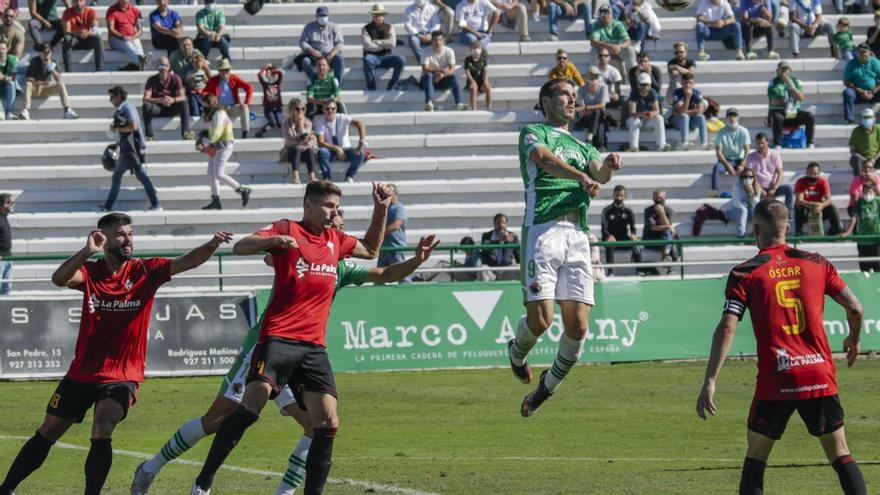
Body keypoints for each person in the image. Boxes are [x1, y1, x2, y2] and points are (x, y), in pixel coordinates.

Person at [130, 213, 438, 495]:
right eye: (337, 225)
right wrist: (276, 247)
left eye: (343, 227)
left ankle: (284, 492)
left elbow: (383, 273)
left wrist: (416, 261)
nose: (341, 232)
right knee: (216, 419)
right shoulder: (300, 244)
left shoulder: (341, 267)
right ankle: (157, 469)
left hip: (303, 353)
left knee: (316, 427)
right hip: (266, 345)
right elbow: (268, 257)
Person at [0, 213, 232, 495]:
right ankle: (6, 489)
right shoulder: (91, 272)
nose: (128, 240)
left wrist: (212, 244)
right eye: (121, 235)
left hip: (122, 374)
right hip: (83, 372)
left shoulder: (145, 270)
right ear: (104, 239)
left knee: (103, 425)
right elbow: (59, 278)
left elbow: (188, 261)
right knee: (48, 430)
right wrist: (87, 251)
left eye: (130, 234)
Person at [190, 181, 392, 495]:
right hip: (278, 338)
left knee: (328, 422)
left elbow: (371, 250)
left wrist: (381, 209)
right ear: (308, 204)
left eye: (337, 208)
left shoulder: (335, 240)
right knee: (251, 406)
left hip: (313, 347)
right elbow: (240, 246)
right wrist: (272, 242)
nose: (334, 213)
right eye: (329, 206)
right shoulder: (287, 228)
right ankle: (204, 481)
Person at [696, 198, 867, 495]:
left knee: (756, 458)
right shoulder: (817, 262)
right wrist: (854, 337)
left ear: (755, 229)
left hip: (778, 376)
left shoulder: (745, 273)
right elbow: (855, 307)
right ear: (788, 227)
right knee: (840, 453)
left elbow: (727, 326)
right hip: (817, 373)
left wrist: (710, 380)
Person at [510, 78, 622, 417]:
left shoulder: (584, 146)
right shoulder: (534, 132)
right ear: (546, 101)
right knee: (542, 320)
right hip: (542, 229)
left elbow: (599, 174)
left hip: (577, 233)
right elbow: (544, 160)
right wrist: (581, 177)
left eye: (574, 95)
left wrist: (608, 166)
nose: (572, 100)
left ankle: (546, 388)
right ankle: (516, 353)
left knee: (578, 326)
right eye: (564, 94)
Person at [102, 86, 160, 212]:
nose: (111, 100)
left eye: (112, 97)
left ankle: (107, 207)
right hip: (129, 148)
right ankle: (155, 204)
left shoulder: (127, 107)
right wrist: (119, 141)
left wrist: (117, 130)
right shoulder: (125, 108)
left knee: (125, 176)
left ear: (118, 96)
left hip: (133, 150)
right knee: (137, 176)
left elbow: (133, 126)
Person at [197, 94, 252, 210]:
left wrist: (205, 143)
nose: (203, 107)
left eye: (204, 104)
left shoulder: (219, 114)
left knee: (219, 174)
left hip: (224, 146)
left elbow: (217, 132)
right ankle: (215, 200)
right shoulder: (213, 114)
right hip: (216, 146)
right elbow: (212, 131)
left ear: (210, 104)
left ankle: (242, 190)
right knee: (211, 173)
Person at [18, 45, 78, 120]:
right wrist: (42, 83)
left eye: (48, 53)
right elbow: (28, 78)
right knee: (28, 84)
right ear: (40, 53)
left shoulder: (54, 62)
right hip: (37, 88)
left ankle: (67, 110)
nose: (46, 55)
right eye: (44, 53)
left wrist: (52, 69)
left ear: (51, 53)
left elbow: (59, 78)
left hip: (49, 88)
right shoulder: (34, 61)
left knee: (61, 84)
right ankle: (26, 110)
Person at [142, 56, 193, 140]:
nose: (163, 68)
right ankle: (149, 135)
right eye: (160, 66)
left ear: (169, 67)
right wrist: (160, 100)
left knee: (184, 102)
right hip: (158, 108)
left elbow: (182, 96)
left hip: (172, 107)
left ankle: (185, 132)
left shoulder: (175, 78)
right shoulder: (151, 80)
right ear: (157, 67)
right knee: (146, 106)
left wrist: (173, 100)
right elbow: (145, 98)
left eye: (165, 66)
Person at [314, 102, 367, 183]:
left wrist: (361, 142)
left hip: (346, 150)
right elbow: (320, 143)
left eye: (333, 109)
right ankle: (327, 178)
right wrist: (337, 148)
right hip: (330, 151)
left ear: (336, 109)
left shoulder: (342, 117)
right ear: (323, 110)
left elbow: (360, 123)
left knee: (361, 153)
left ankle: (349, 176)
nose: (330, 111)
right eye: (327, 109)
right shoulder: (319, 121)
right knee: (322, 152)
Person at [768, 60, 815, 149]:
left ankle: (810, 143)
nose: (784, 72)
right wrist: (789, 100)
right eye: (782, 70)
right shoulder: (773, 83)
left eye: (786, 70)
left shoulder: (796, 81)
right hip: (780, 112)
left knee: (809, 116)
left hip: (793, 113)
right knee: (777, 117)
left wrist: (789, 83)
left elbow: (801, 97)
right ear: (777, 71)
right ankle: (777, 143)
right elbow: (774, 101)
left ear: (789, 71)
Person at [201, 58, 253, 139]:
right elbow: (204, 93)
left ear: (229, 70)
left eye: (227, 70)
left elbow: (249, 87)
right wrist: (210, 99)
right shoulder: (213, 80)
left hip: (233, 107)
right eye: (222, 70)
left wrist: (247, 102)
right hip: (219, 107)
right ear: (219, 71)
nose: (224, 72)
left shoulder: (234, 78)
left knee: (245, 108)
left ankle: (245, 133)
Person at [362, 4, 405, 92]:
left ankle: (392, 85)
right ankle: (371, 87)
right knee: (367, 60)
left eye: (379, 14)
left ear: (383, 16)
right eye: (375, 14)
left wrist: (376, 42)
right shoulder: (366, 28)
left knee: (401, 60)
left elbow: (392, 44)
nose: (377, 16)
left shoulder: (390, 27)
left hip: (387, 56)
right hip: (372, 57)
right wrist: (384, 45)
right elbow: (367, 46)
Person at [746, 132, 794, 210]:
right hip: (757, 188)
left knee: (789, 189)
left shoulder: (775, 155)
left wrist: (775, 188)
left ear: (767, 142)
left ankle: (789, 213)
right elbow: (751, 176)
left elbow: (780, 173)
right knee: (748, 189)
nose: (760, 146)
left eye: (762, 143)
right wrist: (760, 190)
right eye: (758, 143)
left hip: (773, 188)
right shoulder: (750, 157)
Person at [299, 6, 345, 87]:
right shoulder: (309, 27)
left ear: (328, 16)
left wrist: (332, 54)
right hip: (314, 56)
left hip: (330, 56)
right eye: (320, 15)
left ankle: (337, 87)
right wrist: (312, 51)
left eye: (324, 15)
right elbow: (302, 42)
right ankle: (318, 83)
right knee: (305, 61)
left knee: (340, 59)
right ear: (316, 16)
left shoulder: (334, 27)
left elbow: (340, 43)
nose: (323, 17)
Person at [600, 185, 640, 276]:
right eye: (617, 195)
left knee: (636, 244)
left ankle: (639, 270)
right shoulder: (606, 211)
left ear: (625, 196)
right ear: (613, 195)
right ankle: (610, 272)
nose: (619, 198)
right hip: (610, 238)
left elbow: (633, 228)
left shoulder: (628, 211)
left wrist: (633, 235)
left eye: (621, 195)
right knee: (610, 245)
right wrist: (608, 236)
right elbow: (604, 229)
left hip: (623, 238)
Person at [421, 30, 466, 111]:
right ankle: (429, 103)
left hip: (443, 78)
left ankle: (459, 103)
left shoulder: (449, 51)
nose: (437, 42)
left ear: (443, 41)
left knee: (453, 77)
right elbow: (425, 69)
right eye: (435, 40)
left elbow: (452, 69)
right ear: (431, 41)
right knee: (428, 75)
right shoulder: (425, 51)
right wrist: (439, 71)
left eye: (439, 40)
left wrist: (442, 75)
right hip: (429, 80)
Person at [375, 184, 411, 283]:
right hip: (384, 248)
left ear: (396, 194)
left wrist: (381, 233)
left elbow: (396, 225)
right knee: (379, 277)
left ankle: (408, 292)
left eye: (389, 193)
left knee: (403, 276)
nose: (387, 195)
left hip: (396, 248)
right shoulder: (385, 208)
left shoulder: (399, 208)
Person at [711, 107, 750, 196]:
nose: (732, 118)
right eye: (730, 116)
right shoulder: (721, 132)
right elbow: (718, 152)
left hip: (740, 159)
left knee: (749, 169)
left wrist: (743, 163)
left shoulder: (744, 131)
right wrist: (728, 165)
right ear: (726, 118)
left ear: (738, 117)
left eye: (734, 116)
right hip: (726, 160)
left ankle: (749, 190)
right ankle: (715, 190)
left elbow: (747, 149)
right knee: (717, 167)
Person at [794, 162, 842, 236]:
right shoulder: (801, 182)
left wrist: (822, 205)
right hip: (806, 209)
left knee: (832, 208)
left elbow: (829, 199)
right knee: (798, 209)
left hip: (819, 209)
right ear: (807, 173)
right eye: (810, 173)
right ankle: (798, 234)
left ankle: (838, 231)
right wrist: (811, 205)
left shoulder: (823, 182)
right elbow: (799, 200)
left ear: (819, 173)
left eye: (815, 173)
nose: (812, 175)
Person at [626, 71, 669, 152]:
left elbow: (657, 110)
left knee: (659, 118)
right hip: (634, 120)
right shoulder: (633, 93)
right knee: (634, 120)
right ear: (638, 85)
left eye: (646, 85)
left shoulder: (653, 93)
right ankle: (634, 147)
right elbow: (632, 113)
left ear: (649, 85)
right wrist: (643, 114)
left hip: (646, 120)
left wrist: (652, 113)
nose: (644, 87)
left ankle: (662, 145)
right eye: (642, 85)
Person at [843, 181, 880, 272]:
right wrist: (848, 232)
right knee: (864, 268)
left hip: (876, 239)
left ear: (875, 193)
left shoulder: (878, 201)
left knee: (877, 268)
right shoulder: (859, 202)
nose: (867, 194)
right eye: (865, 192)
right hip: (862, 240)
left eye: (870, 192)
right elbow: (854, 217)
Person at [280, 98, 318, 184]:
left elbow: (305, 137)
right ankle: (296, 177)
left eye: (303, 108)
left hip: (305, 150)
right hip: (291, 151)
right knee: (296, 149)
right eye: (297, 109)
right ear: (292, 110)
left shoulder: (308, 122)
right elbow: (289, 142)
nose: (300, 111)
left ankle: (312, 177)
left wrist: (301, 124)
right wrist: (301, 142)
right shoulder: (286, 124)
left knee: (309, 151)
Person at [591, 5, 636, 75]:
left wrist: (620, 47)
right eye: (602, 13)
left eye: (607, 13)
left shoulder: (618, 24)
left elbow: (628, 41)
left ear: (611, 14)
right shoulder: (596, 25)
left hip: (618, 50)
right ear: (599, 16)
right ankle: (596, 76)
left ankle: (632, 76)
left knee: (631, 50)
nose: (605, 16)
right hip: (604, 50)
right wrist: (609, 46)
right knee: (593, 50)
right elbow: (593, 42)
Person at [107, 0, 149, 71]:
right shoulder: (111, 10)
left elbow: (140, 29)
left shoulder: (136, 10)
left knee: (136, 41)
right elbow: (111, 28)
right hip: (116, 39)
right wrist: (122, 36)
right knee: (128, 44)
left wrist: (133, 37)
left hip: (132, 37)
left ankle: (139, 63)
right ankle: (142, 61)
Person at [843, 44, 880, 125]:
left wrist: (873, 91)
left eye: (864, 52)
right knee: (848, 93)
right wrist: (861, 91)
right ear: (857, 53)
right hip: (858, 93)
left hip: (873, 93)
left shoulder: (876, 62)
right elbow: (846, 82)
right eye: (860, 52)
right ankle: (850, 120)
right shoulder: (851, 64)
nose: (862, 54)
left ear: (869, 52)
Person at [61, 0, 103, 72]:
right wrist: (76, 33)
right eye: (76, 1)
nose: (78, 3)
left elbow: (96, 31)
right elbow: (66, 31)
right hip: (74, 40)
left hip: (87, 39)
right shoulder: (67, 12)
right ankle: (68, 71)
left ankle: (99, 71)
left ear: (85, 1)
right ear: (72, 2)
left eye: (80, 1)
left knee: (98, 38)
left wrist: (87, 33)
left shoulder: (91, 12)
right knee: (67, 39)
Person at [670, 73, 708, 150]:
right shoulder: (677, 93)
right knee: (684, 117)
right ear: (681, 83)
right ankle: (685, 143)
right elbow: (681, 112)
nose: (688, 85)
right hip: (678, 121)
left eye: (690, 83)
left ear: (693, 83)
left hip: (690, 120)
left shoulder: (697, 93)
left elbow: (700, 110)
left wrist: (685, 112)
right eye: (685, 83)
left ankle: (704, 143)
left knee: (701, 117)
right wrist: (687, 98)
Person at [574, 65, 609, 150]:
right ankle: (600, 146)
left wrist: (586, 108)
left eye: (596, 75)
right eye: (591, 75)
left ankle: (591, 138)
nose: (593, 77)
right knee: (598, 114)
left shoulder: (603, 87)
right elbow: (583, 111)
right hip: (586, 118)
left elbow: (602, 105)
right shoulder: (581, 89)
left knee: (599, 120)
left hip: (599, 117)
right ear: (588, 76)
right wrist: (594, 108)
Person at [643, 189, 678, 270]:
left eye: (660, 198)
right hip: (650, 239)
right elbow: (653, 228)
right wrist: (668, 227)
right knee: (669, 234)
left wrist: (662, 213)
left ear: (665, 198)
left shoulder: (669, 211)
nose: (658, 200)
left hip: (663, 239)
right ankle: (670, 266)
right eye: (656, 198)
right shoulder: (648, 210)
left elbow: (668, 225)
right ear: (653, 198)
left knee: (668, 233)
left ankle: (666, 255)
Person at [480, 213, 520, 280]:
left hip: (506, 270)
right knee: (483, 268)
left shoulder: (512, 236)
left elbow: (519, 257)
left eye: (503, 223)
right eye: (498, 223)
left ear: (506, 224)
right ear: (494, 224)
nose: (501, 225)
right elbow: (485, 248)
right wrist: (499, 240)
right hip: (491, 270)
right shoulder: (487, 236)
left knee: (519, 268)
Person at [725, 168, 762, 237]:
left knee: (756, 210)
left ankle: (754, 233)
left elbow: (756, 204)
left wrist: (751, 193)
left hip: (748, 214)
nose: (747, 179)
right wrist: (745, 207)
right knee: (743, 210)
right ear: (741, 178)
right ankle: (741, 235)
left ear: (754, 178)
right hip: (734, 212)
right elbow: (736, 203)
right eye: (745, 177)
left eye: (750, 177)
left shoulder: (757, 187)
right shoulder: (737, 186)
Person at [848, 107, 880, 176]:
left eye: (869, 117)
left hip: (875, 159)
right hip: (861, 159)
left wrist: (873, 159)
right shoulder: (856, 131)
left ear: (874, 118)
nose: (867, 120)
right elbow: (852, 150)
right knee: (855, 158)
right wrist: (863, 159)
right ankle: (857, 178)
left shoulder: (878, 129)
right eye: (865, 118)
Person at [255, 63, 283, 138]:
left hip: (277, 108)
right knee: (272, 123)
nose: (270, 74)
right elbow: (259, 75)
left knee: (280, 123)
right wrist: (265, 69)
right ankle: (262, 131)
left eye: (272, 72)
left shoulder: (277, 83)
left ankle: (288, 133)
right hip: (268, 109)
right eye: (269, 72)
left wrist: (272, 71)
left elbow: (280, 73)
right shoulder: (265, 84)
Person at [666, 41, 696, 105]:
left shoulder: (690, 62)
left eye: (681, 52)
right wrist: (687, 72)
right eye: (676, 52)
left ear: (686, 52)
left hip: (688, 89)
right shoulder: (671, 63)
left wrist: (676, 67)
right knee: (676, 78)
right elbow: (674, 73)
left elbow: (692, 74)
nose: (679, 54)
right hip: (673, 92)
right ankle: (679, 100)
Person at [594, 47, 623, 114]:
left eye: (605, 55)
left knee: (625, 100)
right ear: (597, 57)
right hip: (597, 98)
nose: (603, 57)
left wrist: (616, 94)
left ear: (609, 57)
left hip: (610, 99)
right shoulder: (593, 70)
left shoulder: (614, 71)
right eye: (600, 55)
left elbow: (617, 89)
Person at [464, 40, 491, 110]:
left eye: (478, 48)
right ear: (471, 49)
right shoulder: (468, 59)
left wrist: (485, 81)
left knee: (488, 88)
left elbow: (485, 71)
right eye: (474, 48)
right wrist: (472, 81)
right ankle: (474, 109)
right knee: (474, 88)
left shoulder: (483, 59)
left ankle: (489, 107)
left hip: (481, 82)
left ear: (481, 49)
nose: (476, 50)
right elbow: (467, 72)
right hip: (472, 81)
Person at [184, 51, 209, 117]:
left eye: (199, 66)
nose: (197, 67)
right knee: (194, 105)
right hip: (194, 91)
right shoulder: (190, 72)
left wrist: (205, 78)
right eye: (195, 65)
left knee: (204, 104)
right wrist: (190, 78)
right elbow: (186, 81)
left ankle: (203, 112)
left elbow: (207, 82)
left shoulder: (203, 72)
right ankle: (195, 114)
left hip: (202, 91)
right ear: (193, 64)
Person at [0, 193, 12, 295]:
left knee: (6, 288)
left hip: (8, 257)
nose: (12, 204)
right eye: (9, 202)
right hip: (0, 258)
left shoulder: (4, 217)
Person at [0, 40, 16, 119]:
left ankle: (9, 112)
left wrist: (3, 77)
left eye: (3, 49)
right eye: (0, 49)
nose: (1, 51)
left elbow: (14, 76)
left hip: (6, 88)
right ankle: (0, 111)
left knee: (11, 83)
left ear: (7, 49)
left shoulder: (12, 59)